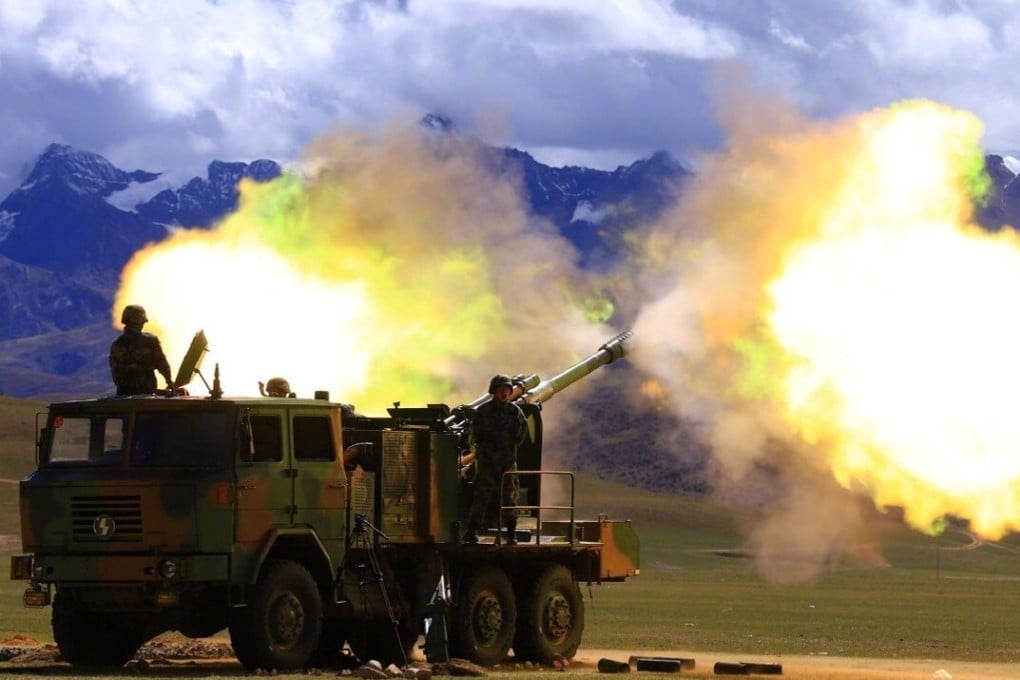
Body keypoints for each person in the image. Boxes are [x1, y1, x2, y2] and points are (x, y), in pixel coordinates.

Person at [463, 374, 527, 544]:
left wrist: (505, 449)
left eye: (507, 390)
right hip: (487, 463)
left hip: (506, 463)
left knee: (510, 498)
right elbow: (476, 435)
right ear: (494, 392)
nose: (504, 393)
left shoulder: (515, 412)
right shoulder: (483, 412)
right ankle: (472, 532)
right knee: (481, 497)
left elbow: (520, 435)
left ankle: (511, 534)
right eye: (501, 390)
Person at [109, 305, 174, 396]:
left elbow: (116, 375)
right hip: (146, 394)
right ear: (140, 322)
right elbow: (162, 364)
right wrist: (169, 381)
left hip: (124, 395)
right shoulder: (150, 341)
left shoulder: (116, 345)